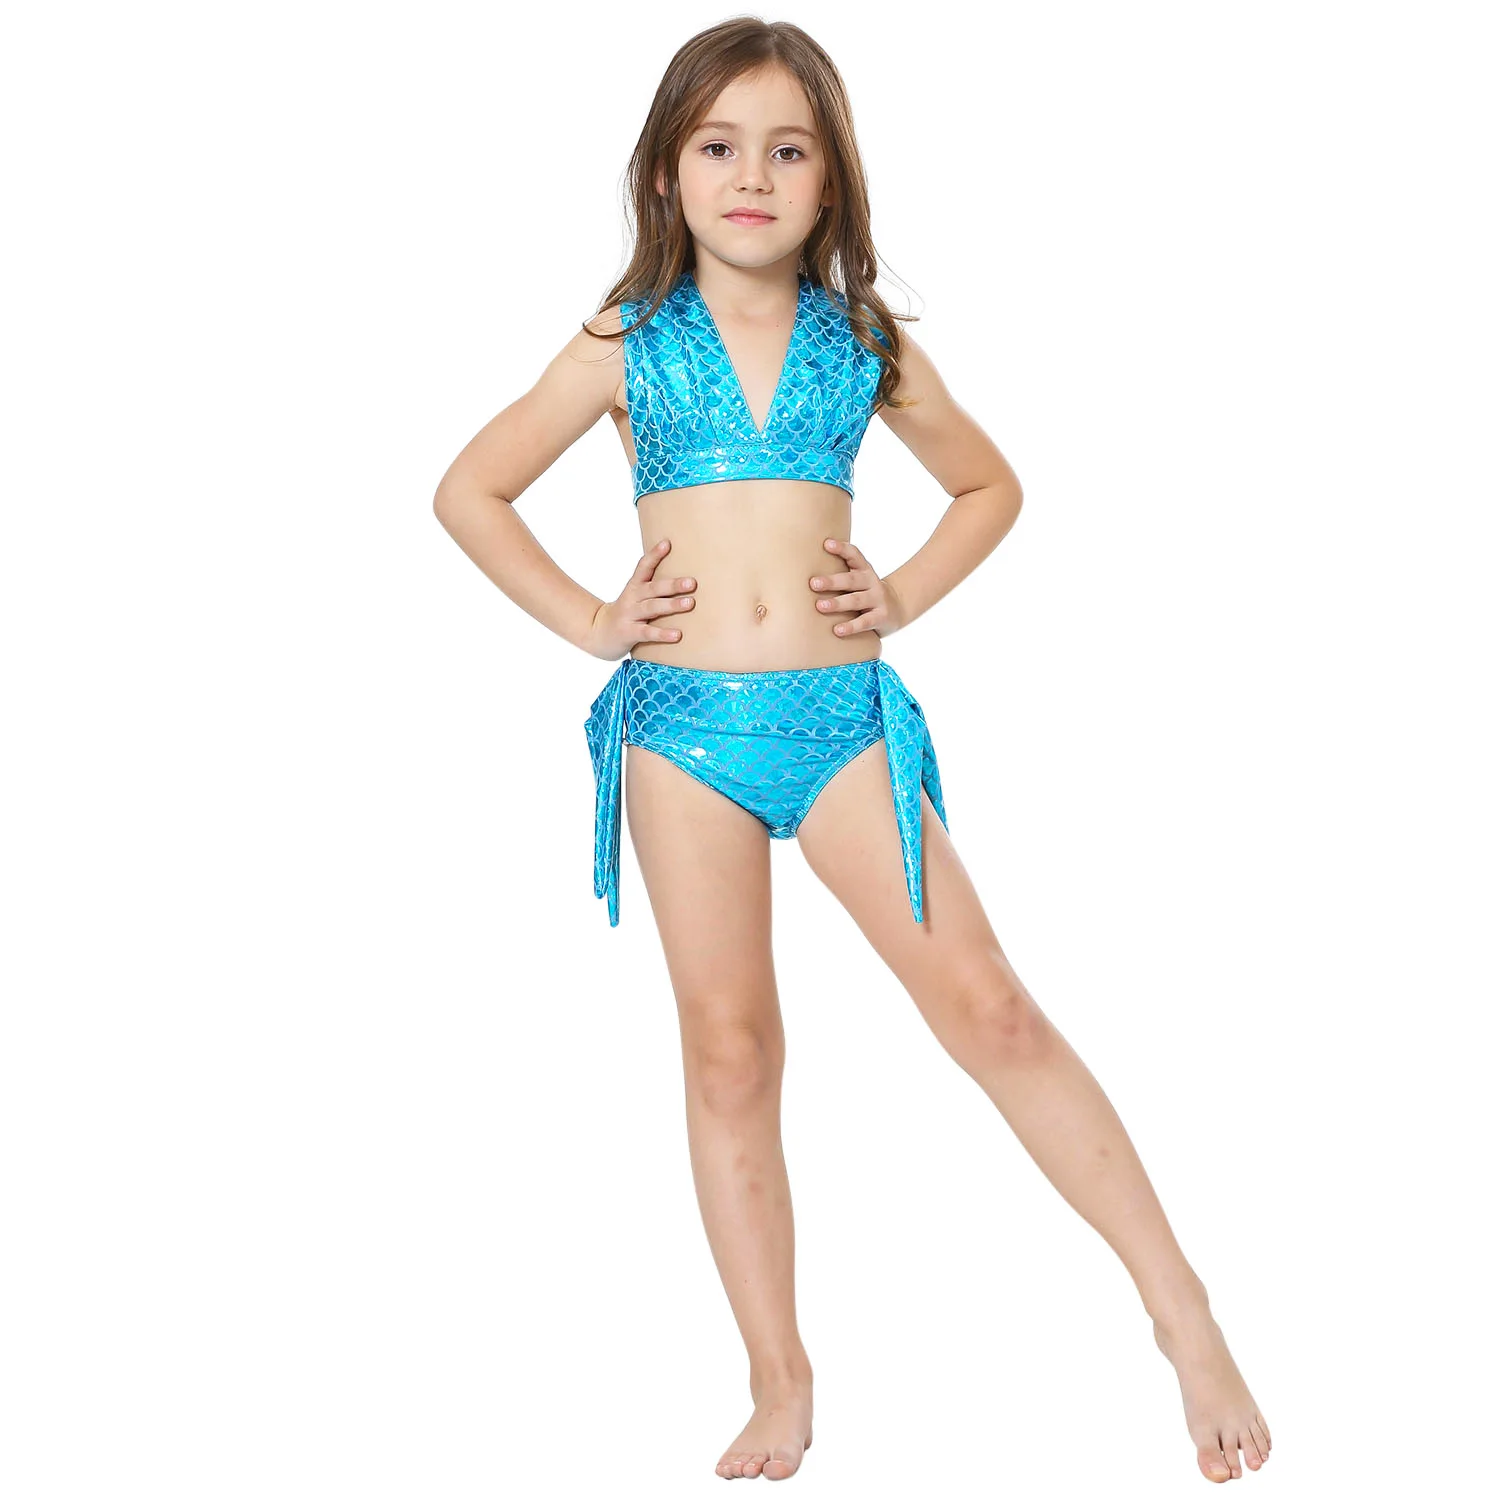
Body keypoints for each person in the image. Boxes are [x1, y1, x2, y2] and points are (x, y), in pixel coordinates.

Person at [433, 17, 1270, 1486]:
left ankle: (1181, 1310)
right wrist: (591, 621)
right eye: (719, 147)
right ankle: (781, 1375)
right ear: (666, 172)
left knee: (992, 1008)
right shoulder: (626, 340)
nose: (752, 176)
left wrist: (903, 595)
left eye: (788, 149)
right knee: (731, 1049)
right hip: (682, 736)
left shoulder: (860, 343)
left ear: (831, 179)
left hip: (838, 729)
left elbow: (990, 486)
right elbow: (469, 489)